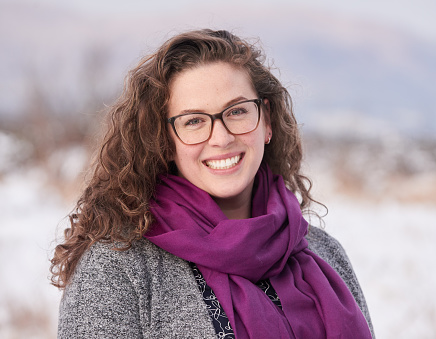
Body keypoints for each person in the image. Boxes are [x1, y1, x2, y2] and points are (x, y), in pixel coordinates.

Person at [51, 29, 375, 339]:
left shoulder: (324, 252)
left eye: (236, 111)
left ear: (267, 122)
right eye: (193, 121)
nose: (221, 138)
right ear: (164, 140)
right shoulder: (119, 269)